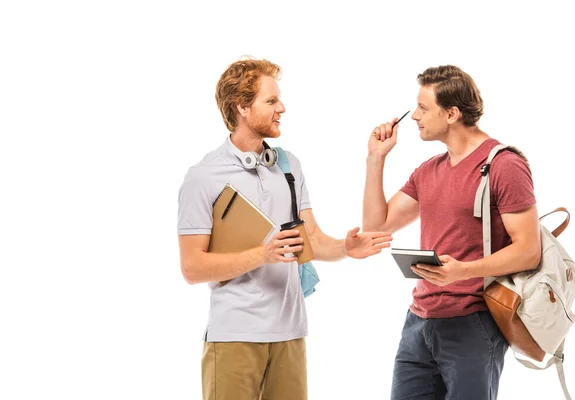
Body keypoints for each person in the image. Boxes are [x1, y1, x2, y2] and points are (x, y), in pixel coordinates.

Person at [177, 58, 393, 400]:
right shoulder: (203, 177)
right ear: (242, 107)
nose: (282, 108)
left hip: (290, 334)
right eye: (271, 101)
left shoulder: (289, 166)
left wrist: (346, 249)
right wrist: (263, 254)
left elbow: (313, 240)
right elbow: (192, 268)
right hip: (235, 336)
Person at [362, 65, 541, 400]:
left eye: (423, 108)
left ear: (452, 113)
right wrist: (375, 160)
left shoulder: (503, 165)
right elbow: (375, 228)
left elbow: (529, 250)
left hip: (473, 323)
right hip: (418, 322)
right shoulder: (428, 171)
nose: (414, 116)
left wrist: (464, 271)